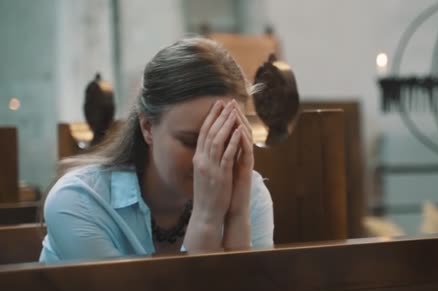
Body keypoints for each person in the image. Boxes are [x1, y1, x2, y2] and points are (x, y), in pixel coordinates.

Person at [39, 37, 274, 262]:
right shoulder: (79, 201)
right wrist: (207, 219)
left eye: (225, 139)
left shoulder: (249, 193)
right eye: (191, 141)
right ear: (147, 127)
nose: (206, 160)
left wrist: (237, 217)